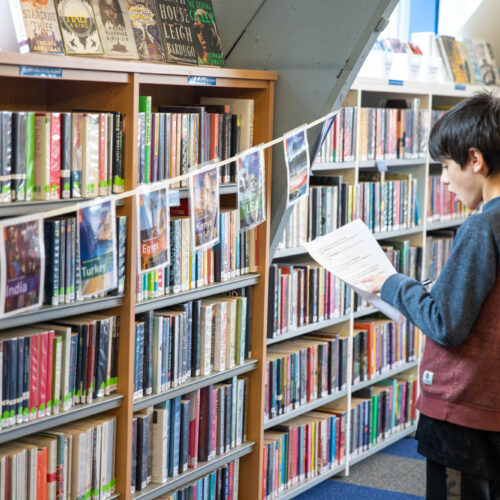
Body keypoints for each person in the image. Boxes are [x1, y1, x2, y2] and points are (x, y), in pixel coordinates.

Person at [362, 91, 500, 499]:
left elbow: (446, 324)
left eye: (445, 165)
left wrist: (394, 285)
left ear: (475, 159)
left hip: (463, 410)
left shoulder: (481, 228)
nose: (443, 180)